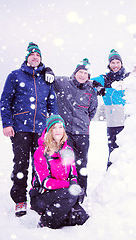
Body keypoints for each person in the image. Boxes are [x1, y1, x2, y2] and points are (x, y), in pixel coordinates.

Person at [0, 42, 58, 217]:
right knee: (21, 164)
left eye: (38, 55)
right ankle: (19, 200)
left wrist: (54, 125)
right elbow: (5, 101)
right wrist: (7, 123)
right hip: (20, 128)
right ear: (27, 58)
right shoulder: (15, 76)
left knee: (40, 164)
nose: (35, 57)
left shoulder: (46, 78)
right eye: (32, 55)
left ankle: (36, 196)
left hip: (41, 130)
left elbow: (52, 103)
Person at [30, 115, 89, 228]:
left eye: (60, 127)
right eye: (54, 127)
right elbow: (46, 182)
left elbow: (73, 174)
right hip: (42, 195)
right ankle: (46, 221)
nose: (58, 131)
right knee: (70, 195)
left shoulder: (68, 150)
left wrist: (75, 185)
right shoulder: (41, 152)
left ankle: (61, 215)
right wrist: (69, 185)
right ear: (49, 131)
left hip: (63, 193)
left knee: (82, 217)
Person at [52, 58, 98, 198]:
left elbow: (92, 110)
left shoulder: (91, 90)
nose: (82, 75)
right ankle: (67, 191)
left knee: (82, 163)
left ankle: (81, 192)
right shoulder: (64, 83)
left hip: (83, 133)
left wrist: (82, 121)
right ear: (75, 73)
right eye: (80, 72)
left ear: (88, 76)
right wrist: (48, 70)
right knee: (66, 163)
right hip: (66, 133)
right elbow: (51, 79)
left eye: (85, 73)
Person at [92, 49, 130, 169]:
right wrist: (97, 86)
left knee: (128, 150)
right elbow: (87, 81)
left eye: (117, 62)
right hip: (113, 122)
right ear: (109, 64)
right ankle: (111, 175)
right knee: (113, 151)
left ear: (121, 64)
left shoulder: (128, 77)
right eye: (112, 62)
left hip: (129, 121)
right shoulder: (104, 78)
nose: (115, 65)